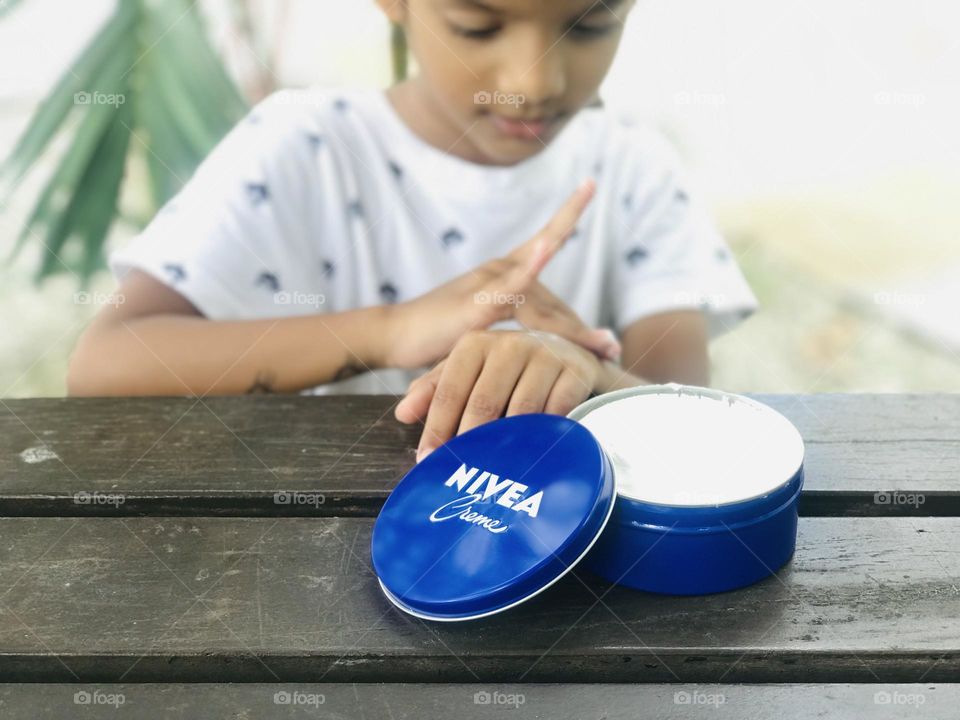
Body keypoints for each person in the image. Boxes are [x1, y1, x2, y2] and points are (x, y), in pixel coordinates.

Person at [68, 0, 758, 463]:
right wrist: (389, 331)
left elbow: (690, 432)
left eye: (589, 24)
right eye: (477, 26)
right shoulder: (303, 145)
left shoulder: (636, 169)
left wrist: (588, 371)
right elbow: (103, 369)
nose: (534, 81)